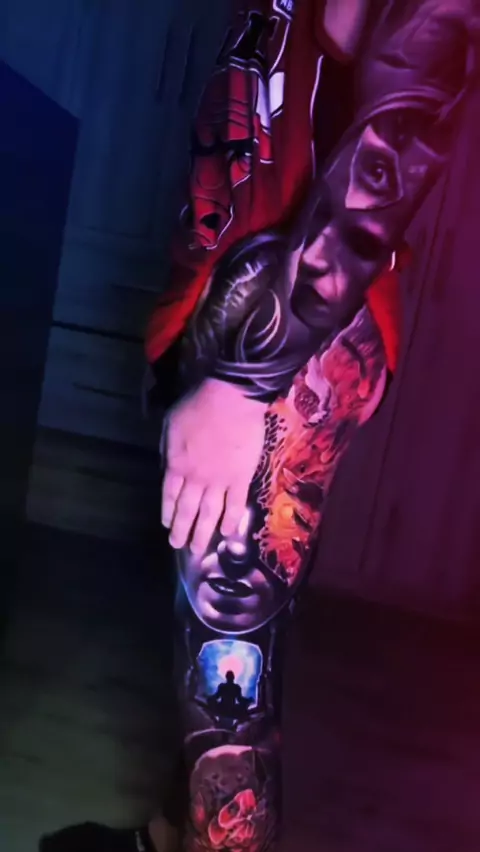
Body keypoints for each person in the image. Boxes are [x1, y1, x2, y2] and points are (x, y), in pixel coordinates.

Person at [40, 1, 476, 850]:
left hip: (284, 338)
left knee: (228, 689)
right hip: (240, 300)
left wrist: (245, 384)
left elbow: (385, 162)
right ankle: (168, 836)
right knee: (217, 647)